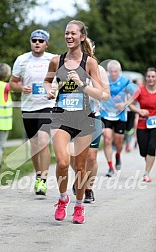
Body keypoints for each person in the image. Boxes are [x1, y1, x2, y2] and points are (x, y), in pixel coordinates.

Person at [44, 20, 110, 224]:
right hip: (60, 116)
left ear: (82, 37)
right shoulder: (56, 61)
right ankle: (63, 199)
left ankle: (79, 206)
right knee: (63, 162)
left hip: (84, 118)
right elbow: (47, 81)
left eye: (73, 33)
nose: (69, 37)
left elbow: (102, 94)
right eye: (66, 33)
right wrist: (50, 90)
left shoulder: (90, 63)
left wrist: (82, 85)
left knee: (80, 168)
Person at [9, 29, 56, 195]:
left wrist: (56, 88)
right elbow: (12, 83)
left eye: (41, 41)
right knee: (34, 145)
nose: (37, 43)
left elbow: (66, 79)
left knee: (43, 140)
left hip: (47, 105)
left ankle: (43, 179)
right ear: (30, 42)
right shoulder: (22, 60)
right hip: (28, 107)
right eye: (34, 40)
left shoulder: (53, 59)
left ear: (46, 43)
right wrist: (22, 87)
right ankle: (38, 175)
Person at [72, 65, 109, 203]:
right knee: (74, 156)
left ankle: (88, 188)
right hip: (73, 116)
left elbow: (105, 95)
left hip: (93, 116)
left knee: (91, 157)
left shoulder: (99, 70)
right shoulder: (70, 66)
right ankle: (79, 179)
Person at [101, 60, 138, 177]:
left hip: (120, 115)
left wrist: (125, 104)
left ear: (119, 71)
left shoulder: (124, 81)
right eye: (111, 71)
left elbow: (137, 92)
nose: (113, 74)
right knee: (107, 139)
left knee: (118, 142)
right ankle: (111, 167)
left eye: (115, 71)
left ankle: (117, 155)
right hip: (105, 113)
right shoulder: (104, 80)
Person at [129, 67, 156, 182]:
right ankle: (148, 166)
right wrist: (140, 111)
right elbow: (130, 104)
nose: (151, 79)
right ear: (146, 78)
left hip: (155, 124)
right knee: (143, 151)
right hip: (142, 124)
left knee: (152, 147)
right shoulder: (140, 90)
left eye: (153, 76)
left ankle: (146, 173)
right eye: (149, 76)